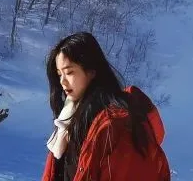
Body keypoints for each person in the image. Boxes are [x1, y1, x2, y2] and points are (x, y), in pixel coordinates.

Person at [41, 31, 171, 181]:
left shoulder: (116, 125)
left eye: (69, 72)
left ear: (91, 71)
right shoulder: (67, 121)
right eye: (59, 74)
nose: (62, 82)